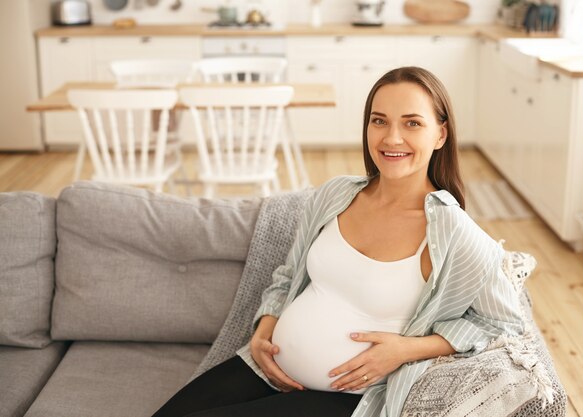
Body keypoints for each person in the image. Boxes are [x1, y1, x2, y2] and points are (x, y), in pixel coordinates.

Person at [152, 66, 524, 417]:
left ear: (440, 134)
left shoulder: (454, 233)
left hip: (348, 399)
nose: (392, 138)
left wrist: (407, 350)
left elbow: (503, 322)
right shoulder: (336, 195)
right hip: (268, 366)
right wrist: (264, 330)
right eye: (379, 121)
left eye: (412, 123)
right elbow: (287, 276)